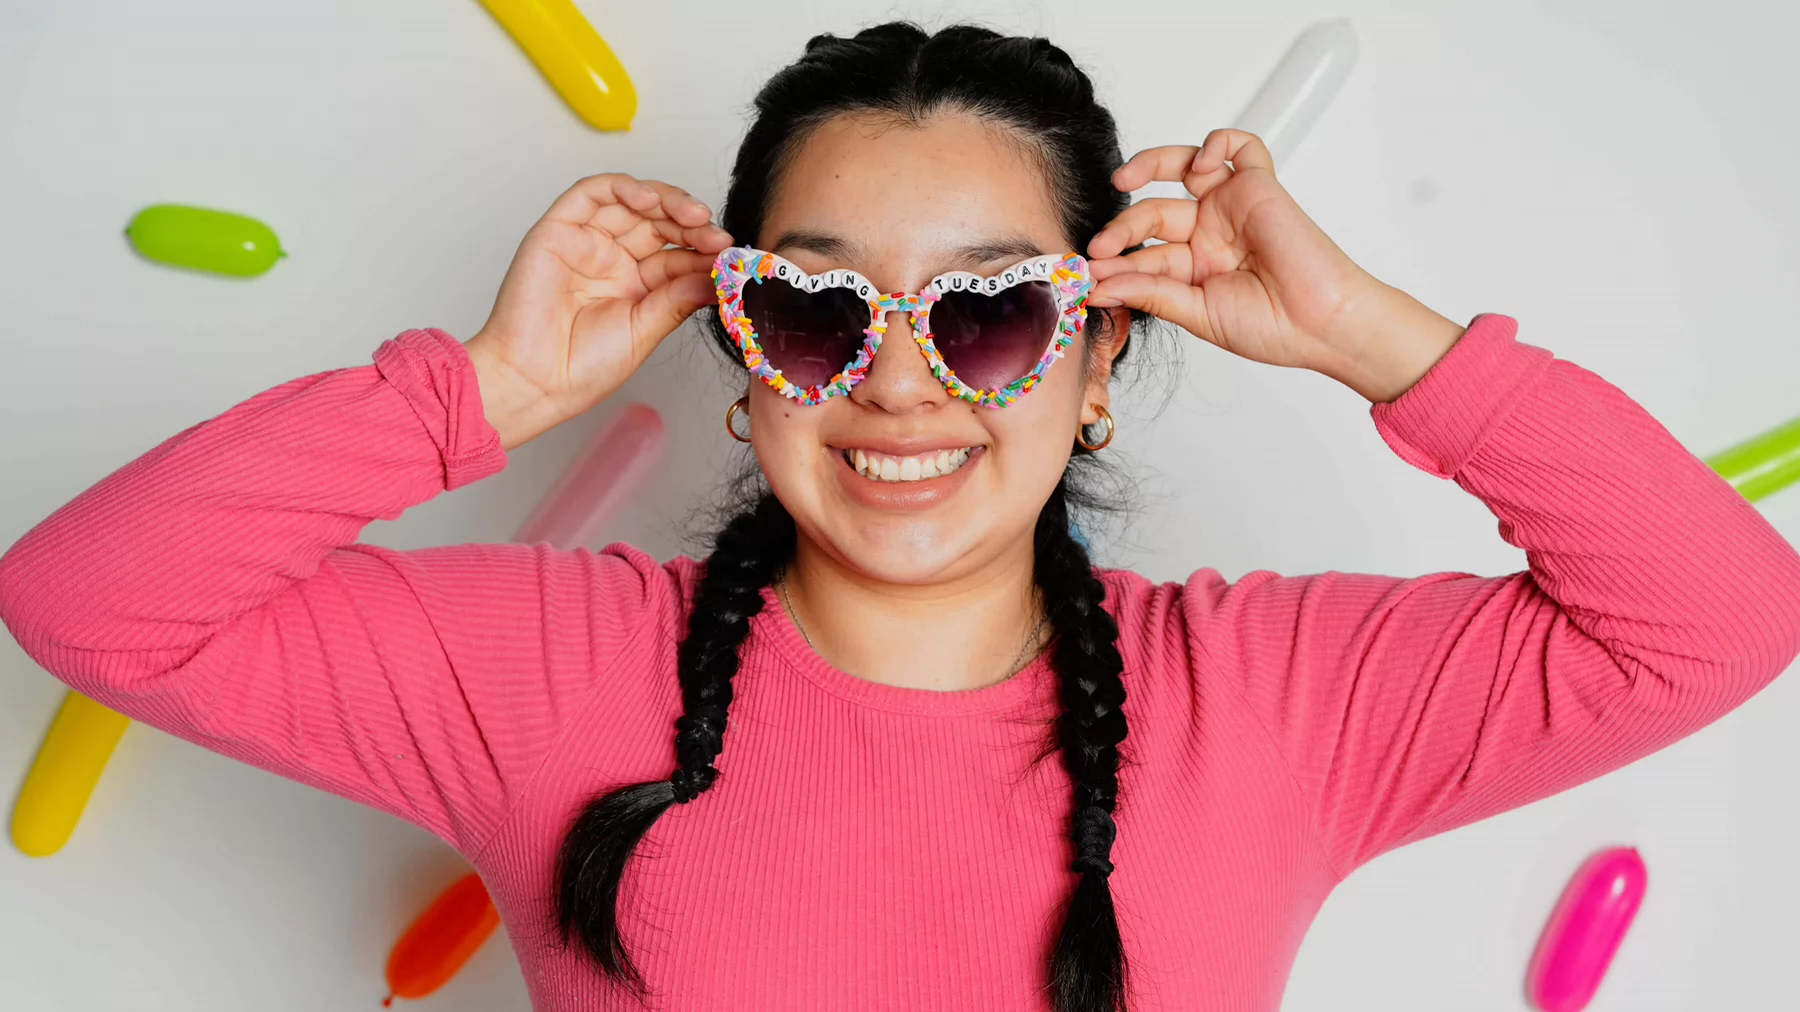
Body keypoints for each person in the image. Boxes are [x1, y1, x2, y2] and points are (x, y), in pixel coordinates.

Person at [2, 20, 1797, 1012]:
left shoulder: (1270, 697)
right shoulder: (549, 670)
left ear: (1100, 363)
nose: (900, 381)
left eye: (993, 310)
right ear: (742, 350)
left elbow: (1718, 616)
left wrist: (1362, 335)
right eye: (814, 309)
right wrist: (477, 391)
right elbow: (89, 601)